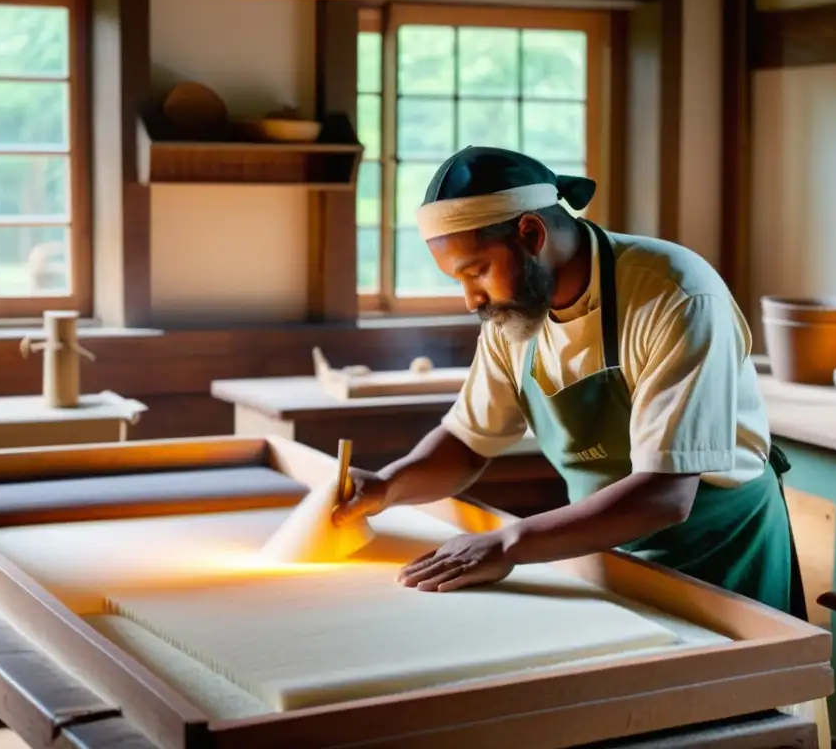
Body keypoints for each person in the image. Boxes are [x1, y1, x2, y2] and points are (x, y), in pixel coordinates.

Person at [333, 145, 807, 620]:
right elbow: (467, 442)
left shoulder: (675, 296)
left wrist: (510, 543)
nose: (470, 299)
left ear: (531, 233)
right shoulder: (513, 317)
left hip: (719, 551)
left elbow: (665, 495)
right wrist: (386, 485)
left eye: (475, 272)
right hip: (607, 547)